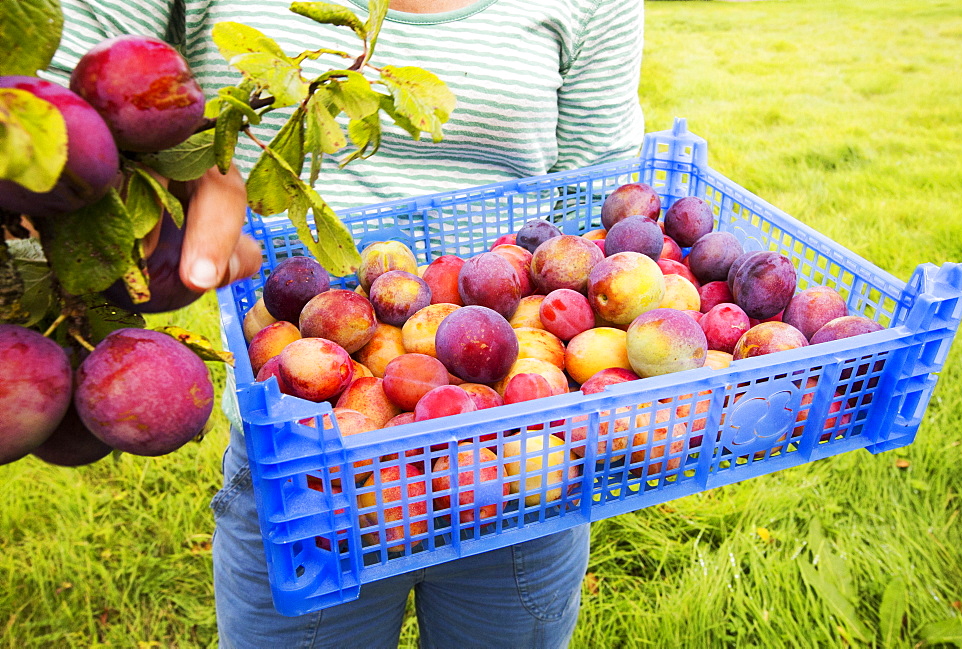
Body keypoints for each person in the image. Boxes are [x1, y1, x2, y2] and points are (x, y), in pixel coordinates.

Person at [49, 0, 644, 646]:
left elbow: (592, 202)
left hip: (518, 450)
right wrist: (171, 168)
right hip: (302, 468)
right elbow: (50, 107)